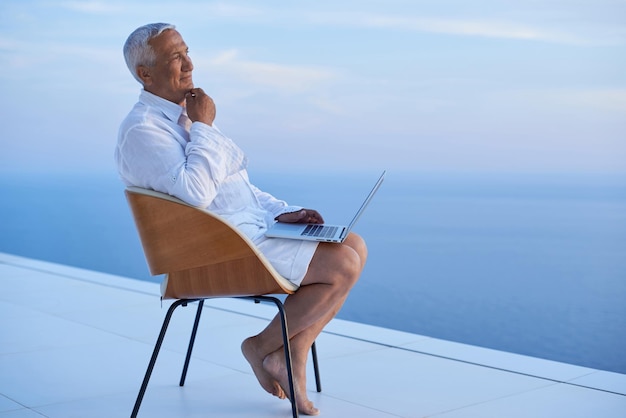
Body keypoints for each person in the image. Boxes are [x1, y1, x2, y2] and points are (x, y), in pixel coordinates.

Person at [115, 23, 367, 416]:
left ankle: (293, 348)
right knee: (342, 264)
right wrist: (204, 126)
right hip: (212, 252)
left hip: (242, 232)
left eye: (187, 52)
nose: (189, 64)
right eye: (174, 57)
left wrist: (283, 212)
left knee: (354, 244)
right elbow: (197, 191)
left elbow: (236, 187)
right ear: (145, 74)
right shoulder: (142, 130)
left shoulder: (187, 116)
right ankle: (264, 346)